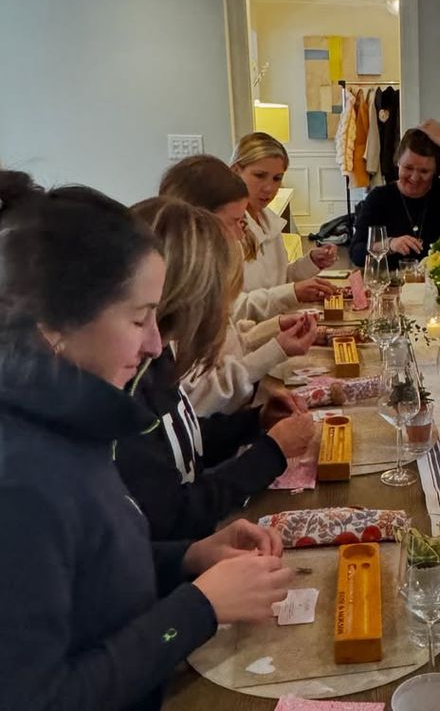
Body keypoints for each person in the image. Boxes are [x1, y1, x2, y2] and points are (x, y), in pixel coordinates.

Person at [0, 171, 292, 709]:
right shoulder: (23, 478)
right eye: (139, 319)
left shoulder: (70, 427)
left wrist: (188, 558)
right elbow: (42, 696)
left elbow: (96, 576)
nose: (156, 343)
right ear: (54, 326)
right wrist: (198, 609)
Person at [118, 197, 314, 540]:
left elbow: (185, 440)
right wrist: (270, 454)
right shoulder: (129, 384)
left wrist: (254, 423)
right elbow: (175, 513)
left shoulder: (156, 356)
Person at [158, 155, 317, 414]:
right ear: (198, 222)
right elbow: (201, 398)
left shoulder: (204, 279)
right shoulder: (178, 295)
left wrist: (272, 331)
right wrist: (274, 349)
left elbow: (226, 348)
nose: (242, 234)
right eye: (235, 222)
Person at [350, 120, 440, 268]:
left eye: (424, 171)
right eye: (408, 167)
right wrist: (390, 244)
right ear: (398, 162)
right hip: (394, 286)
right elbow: (356, 252)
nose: (414, 178)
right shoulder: (379, 198)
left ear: (436, 171)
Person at [230, 132, 338, 305]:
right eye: (259, 175)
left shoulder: (268, 221)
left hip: (278, 326)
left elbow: (280, 281)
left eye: (277, 178)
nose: (269, 187)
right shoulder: (228, 229)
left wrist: (310, 262)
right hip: (253, 330)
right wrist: (292, 293)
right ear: (236, 171)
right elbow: (232, 307)